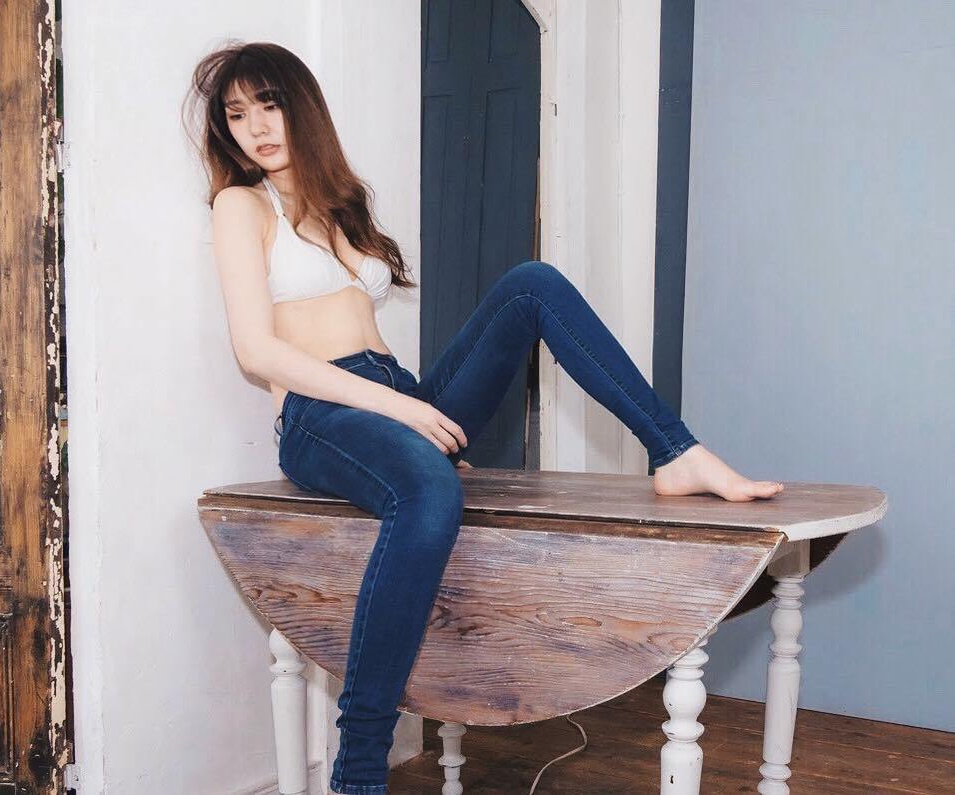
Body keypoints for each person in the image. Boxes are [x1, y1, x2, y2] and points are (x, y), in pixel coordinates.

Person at [185, 41, 783, 795]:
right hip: (323, 413)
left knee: (532, 284)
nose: (255, 127)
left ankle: (674, 450)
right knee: (429, 494)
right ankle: (359, 767)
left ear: (300, 106)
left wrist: (407, 409)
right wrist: (400, 413)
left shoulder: (341, 200)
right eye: (237, 115)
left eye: (268, 105)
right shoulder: (241, 206)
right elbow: (257, 349)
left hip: (395, 394)